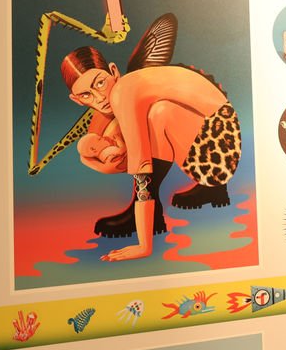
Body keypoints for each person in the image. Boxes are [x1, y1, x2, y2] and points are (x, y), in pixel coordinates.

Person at [62, 46, 240, 261]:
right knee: (154, 116)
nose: (99, 97)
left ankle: (151, 217)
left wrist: (143, 246)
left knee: (159, 114)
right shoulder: (113, 101)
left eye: (100, 82)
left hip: (220, 151)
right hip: (218, 142)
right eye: (87, 94)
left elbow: (141, 165)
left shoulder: (122, 92)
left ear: (114, 72)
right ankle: (210, 193)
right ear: (77, 99)